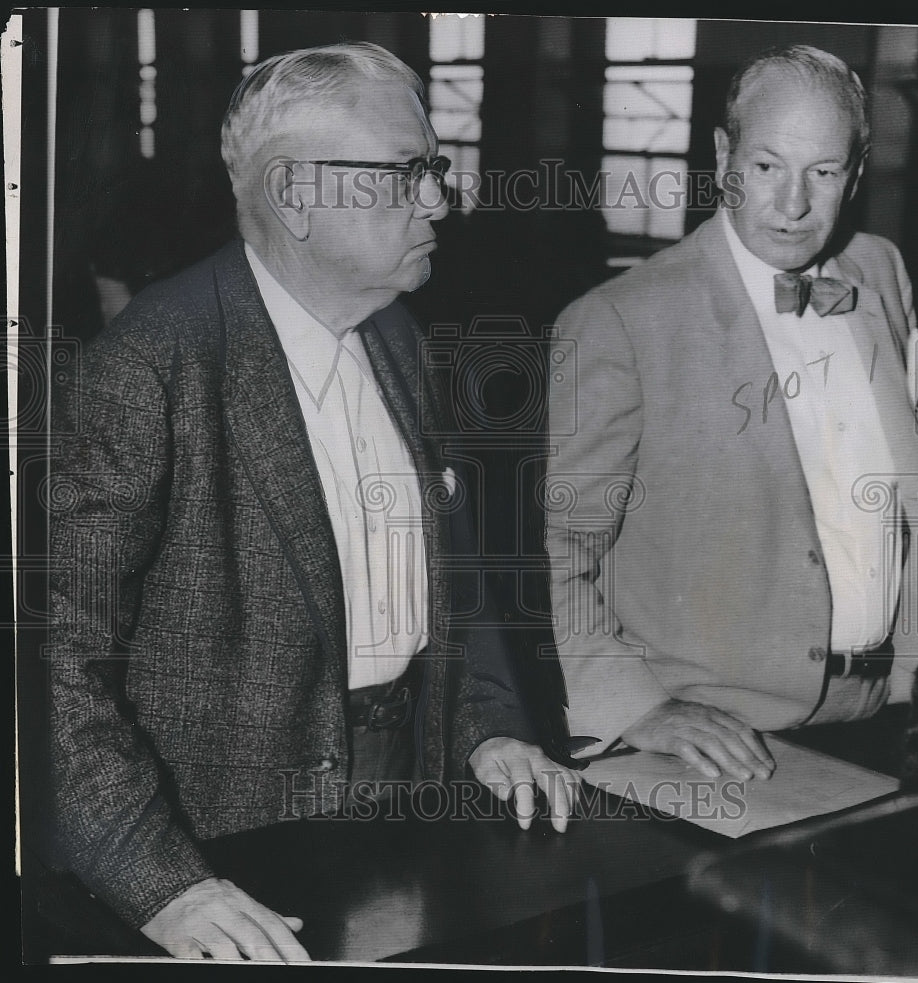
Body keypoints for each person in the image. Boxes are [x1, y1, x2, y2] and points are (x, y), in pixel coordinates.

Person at [47, 42, 578, 962]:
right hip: (229, 855)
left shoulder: (397, 335)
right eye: (406, 173)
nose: (440, 200)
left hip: (408, 806)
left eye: (434, 169)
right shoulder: (150, 364)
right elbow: (52, 657)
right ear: (295, 194)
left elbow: (450, 587)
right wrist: (160, 881)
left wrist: (487, 732)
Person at [545, 45, 918, 781]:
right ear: (724, 154)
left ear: (855, 172)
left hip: (887, 710)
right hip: (713, 743)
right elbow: (555, 552)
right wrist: (635, 707)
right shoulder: (621, 320)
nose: (793, 205)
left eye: (822, 173)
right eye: (766, 167)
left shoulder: (880, 272)